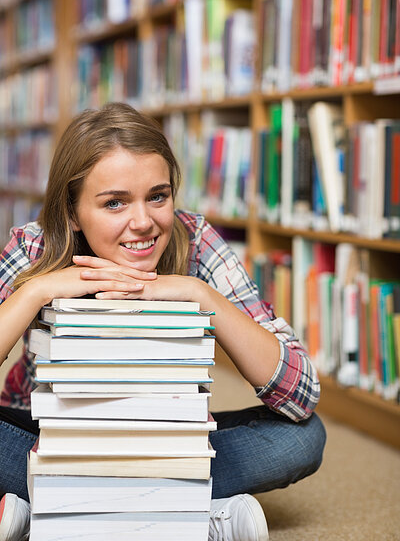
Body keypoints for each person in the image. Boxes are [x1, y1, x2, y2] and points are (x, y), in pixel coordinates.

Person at [0, 102, 326, 541]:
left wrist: (200, 294)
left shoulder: (195, 241)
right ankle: (191, 511)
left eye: (158, 196)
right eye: (114, 203)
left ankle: (51, 508)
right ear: (73, 213)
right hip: (54, 437)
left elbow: (301, 392)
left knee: (303, 438)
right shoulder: (37, 247)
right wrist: (37, 290)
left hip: (169, 439)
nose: (143, 223)